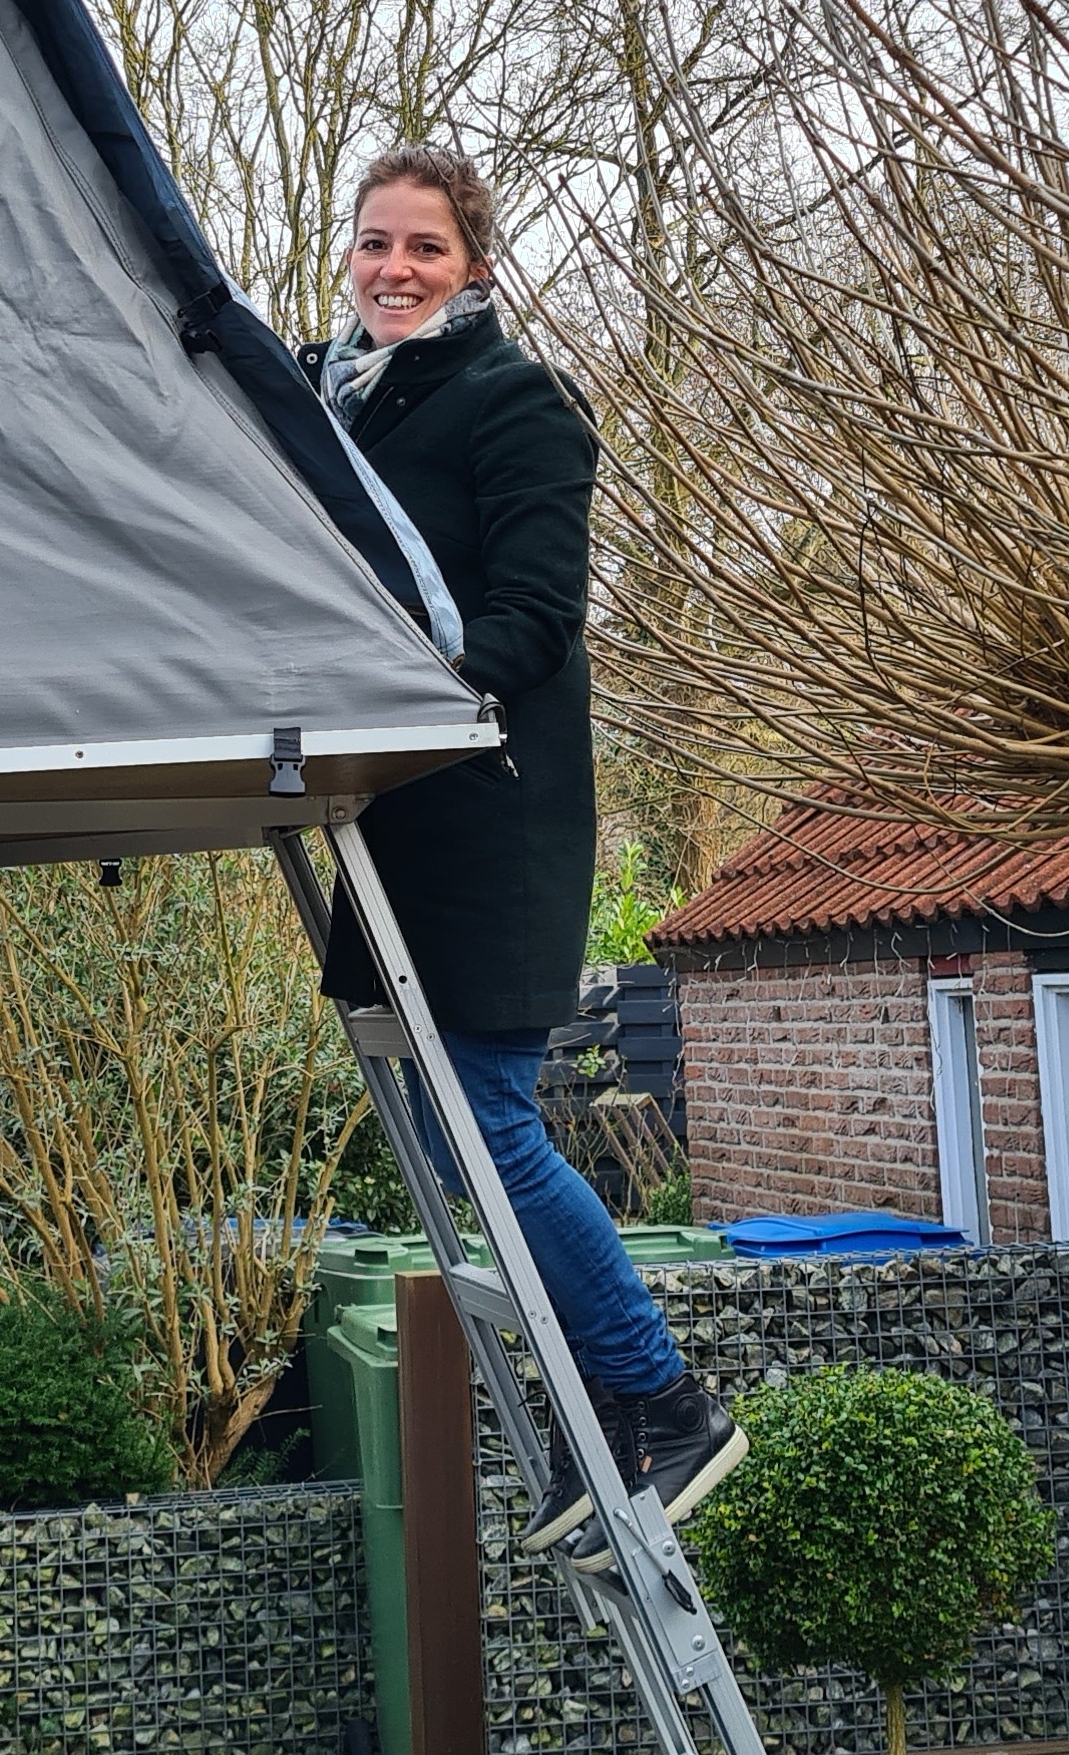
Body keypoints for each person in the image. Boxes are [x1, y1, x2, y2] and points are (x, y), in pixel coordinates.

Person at [304, 143, 743, 1569]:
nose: (393, 269)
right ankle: (602, 1420)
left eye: (423, 247)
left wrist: (398, 702)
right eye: (374, 243)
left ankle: (665, 1398)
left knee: (487, 1121)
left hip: (487, 816)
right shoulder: (337, 403)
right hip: (396, 814)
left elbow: (536, 620)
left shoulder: (514, 400)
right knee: (451, 1134)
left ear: (474, 266)